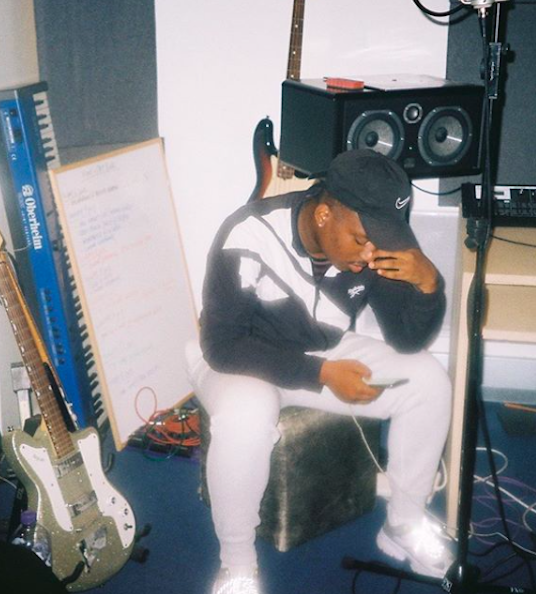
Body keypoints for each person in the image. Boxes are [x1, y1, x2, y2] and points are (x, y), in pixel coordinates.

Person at [186, 149, 453, 594]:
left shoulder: (372, 248)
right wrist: (322, 374)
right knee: (246, 415)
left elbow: (406, 341)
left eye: (380, 240)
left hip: (321, 348)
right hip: (242, 360)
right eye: (362, 239)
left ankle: (404, 524)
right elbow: (221, 345)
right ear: (325, 214)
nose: (370, 254)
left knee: (428, 382)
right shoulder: (248, 235)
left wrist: (428, 286)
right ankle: (237, 565)